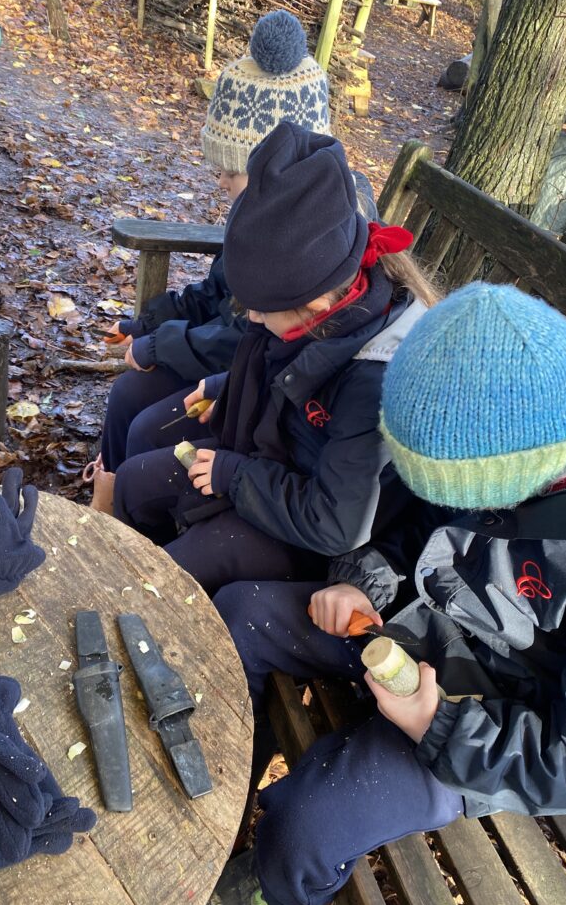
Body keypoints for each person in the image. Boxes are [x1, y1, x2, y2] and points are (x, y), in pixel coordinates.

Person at [190, 282, 566, 905]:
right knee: (242, 614)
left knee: (309, 825)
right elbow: (417, 527)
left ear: (499, 482)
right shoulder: (489, 441)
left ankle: (271, 890)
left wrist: (437, 725)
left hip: (485, 722)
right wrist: (363, 581)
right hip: (418, 628)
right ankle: (217, 776)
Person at [112, 121, 440, 594]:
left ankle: (153, 614)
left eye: (261, 311)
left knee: (171, 577)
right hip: (275, 460)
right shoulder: (317, 303)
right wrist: (229, 385)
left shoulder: (377, 379)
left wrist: (235, 475)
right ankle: (124, 569)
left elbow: (336, 524)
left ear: (317, 305)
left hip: (320, 534)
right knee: (133, 481)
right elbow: (290, 375)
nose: (253, 321)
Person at [87, 10, 371, 513]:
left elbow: (252, 331)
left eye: (231, 173)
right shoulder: (264, 216)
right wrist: (150, 322)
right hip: (224, 364)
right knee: (128, 397)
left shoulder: (315, 236)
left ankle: (127, 518)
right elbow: (220, 292)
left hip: (259, 388)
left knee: (142, 416)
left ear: (275, 171)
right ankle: (108, 501)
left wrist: (162, 344)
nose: (219, 183)